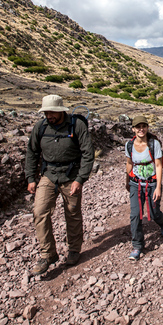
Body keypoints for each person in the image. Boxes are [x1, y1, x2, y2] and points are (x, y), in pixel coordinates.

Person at [25, 94, 94, 275]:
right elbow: (32, 152)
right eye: (46, 112)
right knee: (39, 212)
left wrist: (80, 179)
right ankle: (48, 254)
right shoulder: (40, 127)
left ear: (61, 111)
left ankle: (74, 250)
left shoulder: (76, 125)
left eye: (52, 112)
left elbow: (88, 153)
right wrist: (30, 178)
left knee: (72, 213)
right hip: (48, 175)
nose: (49, 116)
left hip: (71, 175)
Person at [125, 115, 163, 261]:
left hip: (151, 184)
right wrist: (127, 180)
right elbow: (129, 164)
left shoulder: (154, 144)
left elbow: (158, 165)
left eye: (143, 126)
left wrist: (158, 187)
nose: (141, 129)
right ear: (133, 129)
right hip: (135, 183)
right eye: (138, 127)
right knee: (135, 215)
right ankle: (137, 245)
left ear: (147, 128)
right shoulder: (129, 145)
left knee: (154, 212)